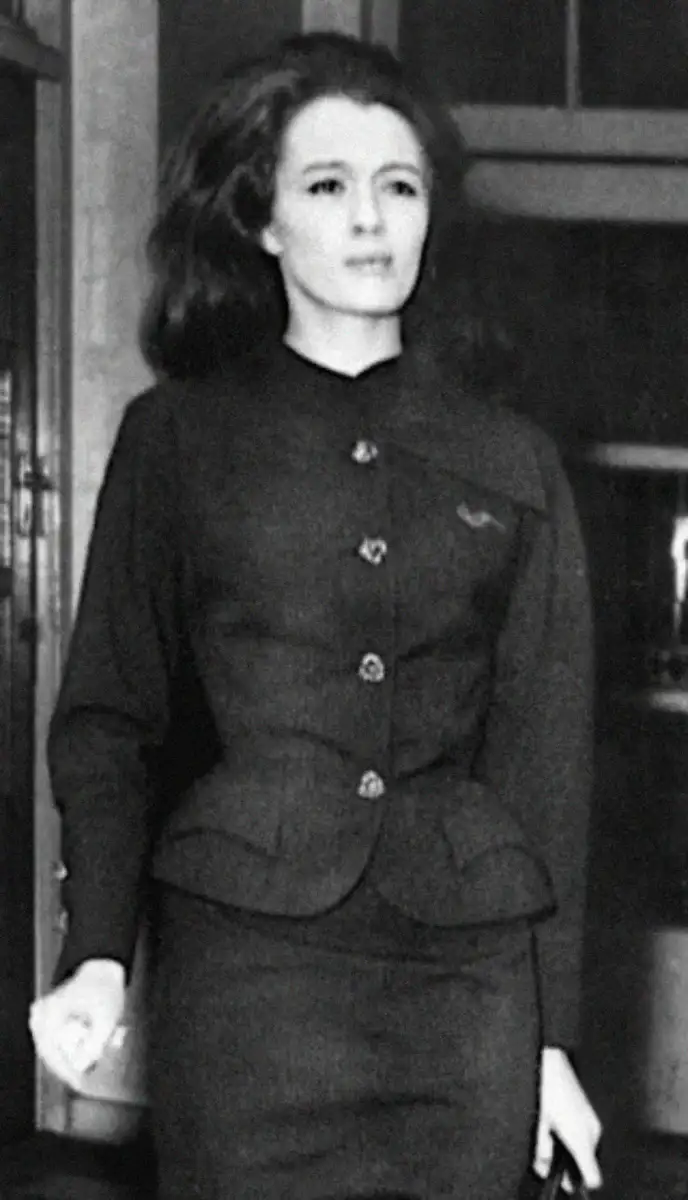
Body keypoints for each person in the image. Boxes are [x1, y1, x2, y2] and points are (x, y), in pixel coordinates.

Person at [30, 31, 602, 1200]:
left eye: (400, 188)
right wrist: (95, 952)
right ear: (262, 219)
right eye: (329, 187)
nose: (370, 220)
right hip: (249, 981)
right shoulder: (177, 440)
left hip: (467, 994)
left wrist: (551, 1043)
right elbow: (109, 722)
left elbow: (544, 762)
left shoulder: (512, 459)